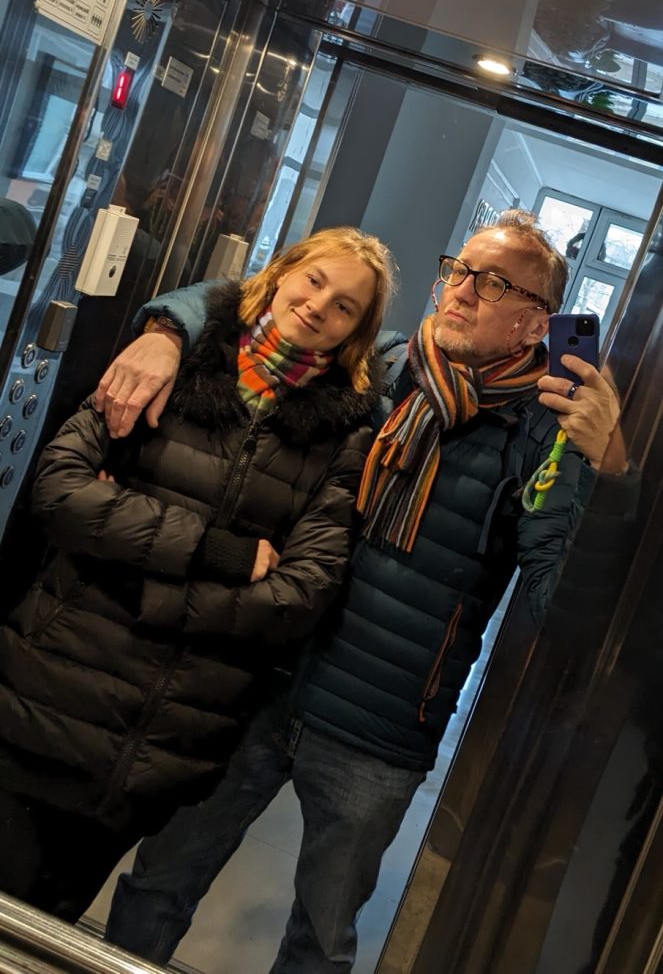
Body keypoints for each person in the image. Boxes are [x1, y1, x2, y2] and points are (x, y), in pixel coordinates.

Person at [99, 211, 635, 973]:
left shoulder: (543, 437)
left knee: (319, 942)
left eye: (491, 283)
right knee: (160, 878)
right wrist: (163, 330)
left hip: (380, 728)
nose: (460, 291)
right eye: (458, 270)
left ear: (533, 321)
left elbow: (561, 603)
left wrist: (605, 470)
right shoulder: (383, 367)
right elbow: (250, 309)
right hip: (260, 678)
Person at [0, 226, 396, 923]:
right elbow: (60, 491)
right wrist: (219, 554)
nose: (318, 306)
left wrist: (132, 581)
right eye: (314, 280)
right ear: (281, 273)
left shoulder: (346, 435)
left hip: (161, 744)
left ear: (355, 334)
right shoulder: (172, 362)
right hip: (44, 697)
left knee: (47, 932)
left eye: (345, 307)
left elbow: (299, 593)